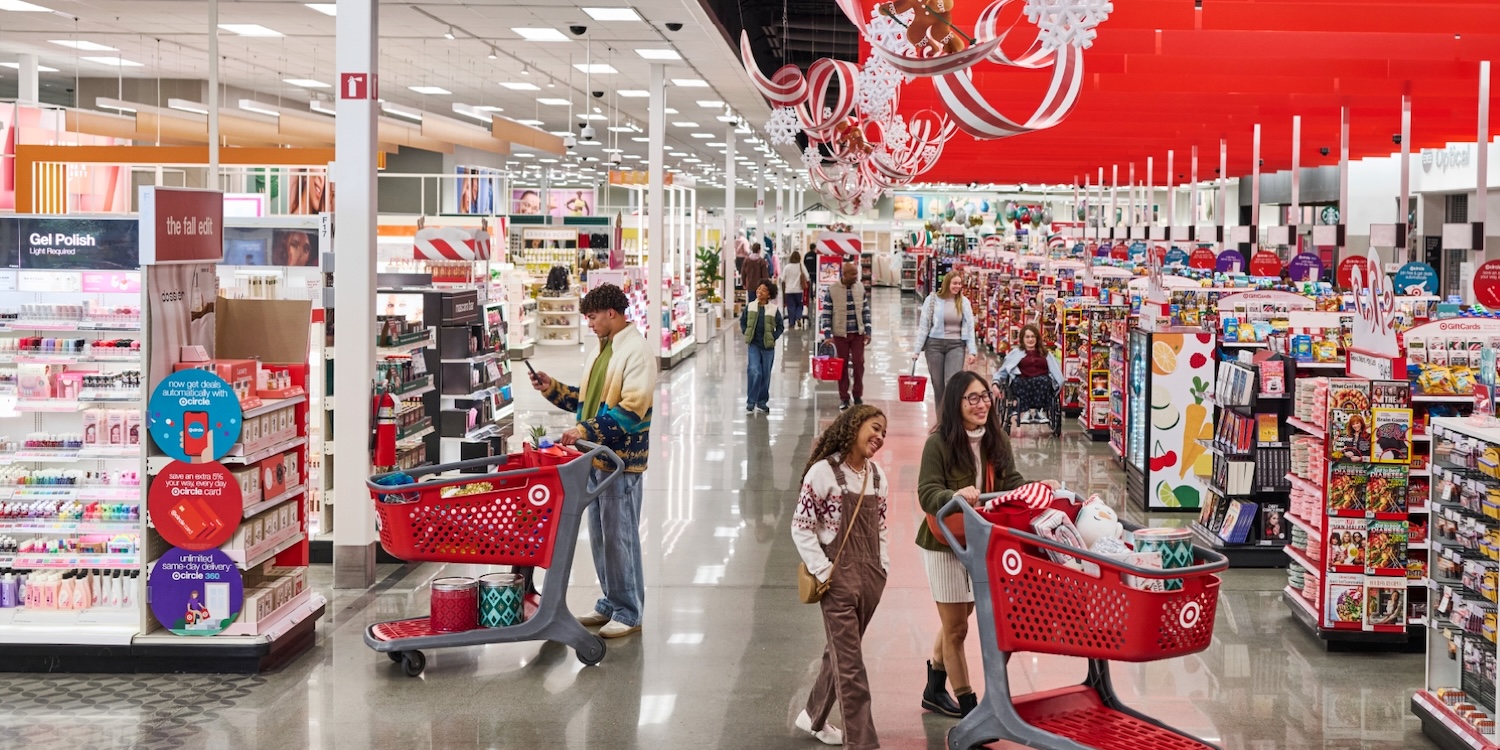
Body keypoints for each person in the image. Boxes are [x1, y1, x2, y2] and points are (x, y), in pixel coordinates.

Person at [529, 283, 656, 639]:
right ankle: (610, 603)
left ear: (611, 314)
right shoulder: (603, 351)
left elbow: (633, 410)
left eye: (593, 317)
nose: (589, 324)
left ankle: (629, 611)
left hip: (621, 462)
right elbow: (585, 402)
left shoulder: (636, 352)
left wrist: (585, 429)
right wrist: (550, 386)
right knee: (601, 539)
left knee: (621, 539)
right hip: (596, 460)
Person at [916, 371, 1030, 719]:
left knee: (959, 616)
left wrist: (1037, 488)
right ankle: (969, 707)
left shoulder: (997, 439)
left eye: (985, 396)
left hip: (981, 538)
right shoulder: (939, 444)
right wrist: (954, 495)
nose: (982, 404)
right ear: (956, 403)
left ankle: (934, 687)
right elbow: (927, 492)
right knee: (958, 628)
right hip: (945, 542)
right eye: (972, 398)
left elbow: (1012, 482)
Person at [791, 405, 890, 749]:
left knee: (839, 653)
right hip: (837, 580)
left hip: (870, 577)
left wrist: (884, 569)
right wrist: (823, 569)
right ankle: (862, 742)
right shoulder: (823, 473)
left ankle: (813, 715)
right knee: (851, 665)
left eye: (883, 433)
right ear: (854, 426)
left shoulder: (878, 477)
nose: (878, 437)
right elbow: (801, 527)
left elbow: (880, 528)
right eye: (874, 428)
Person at [911, 272, 978, 406]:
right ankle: (941, 421)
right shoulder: (932, 300)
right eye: (955, 283)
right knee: (938, 386)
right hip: (934, 346)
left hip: (956, 346)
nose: (957, 286)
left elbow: (970, 328)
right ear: (947, 283)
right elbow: (924, 325)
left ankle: (951, 421)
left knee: (952, 384)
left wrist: (972, 350)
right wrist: (917, 350)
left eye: (959, 283)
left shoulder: (964, 303)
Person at [819, 262, 872, 410]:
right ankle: (844, 397)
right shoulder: (833, 290)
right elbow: (827, 313)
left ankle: (857, 395)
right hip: (840, 334)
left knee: (858, 363)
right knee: (841, 367)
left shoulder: (860, 288)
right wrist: (827, 333)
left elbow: (865, 311)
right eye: (853, 274)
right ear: (844, 274)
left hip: (857, 334)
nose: (856, 277)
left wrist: (868, 331)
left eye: (857, 273)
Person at [997, 324, 1062, 424]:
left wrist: (1059, 383)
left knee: (1043, 381)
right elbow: (1004, 370)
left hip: (1042, 382)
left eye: (1033, 336)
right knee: (1020, 382)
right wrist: (996, 382)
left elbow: (1055, 370)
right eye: (1027, 337)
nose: (1030, 339)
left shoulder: (1045, 353)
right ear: (1022, 339)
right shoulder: (1016, 353)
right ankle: (1026, 411)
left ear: (1037, 338)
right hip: (1022, 381)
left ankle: (1039, 411)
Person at [741, 279, 785, 414]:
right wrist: (746, 333)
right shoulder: (750, 307)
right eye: (759, 289)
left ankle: (761, 402)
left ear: (769, 295)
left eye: (764, 290)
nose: (760, 292)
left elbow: (780, 326)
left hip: (768, 347)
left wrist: (773, 337)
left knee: (765, 374)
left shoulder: (773, 310)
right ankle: (751, 402)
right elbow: (743, 321)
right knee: (754, 370)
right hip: (754, 345)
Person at [783, 251, 808, 329]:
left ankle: (791, 322)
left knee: (791, 306)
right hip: (799, 290)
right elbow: (807, 277)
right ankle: (798, 318)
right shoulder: (801, 266)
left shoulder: (787, 267)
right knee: (799, 305)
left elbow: (783, 279)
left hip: (789, 290)